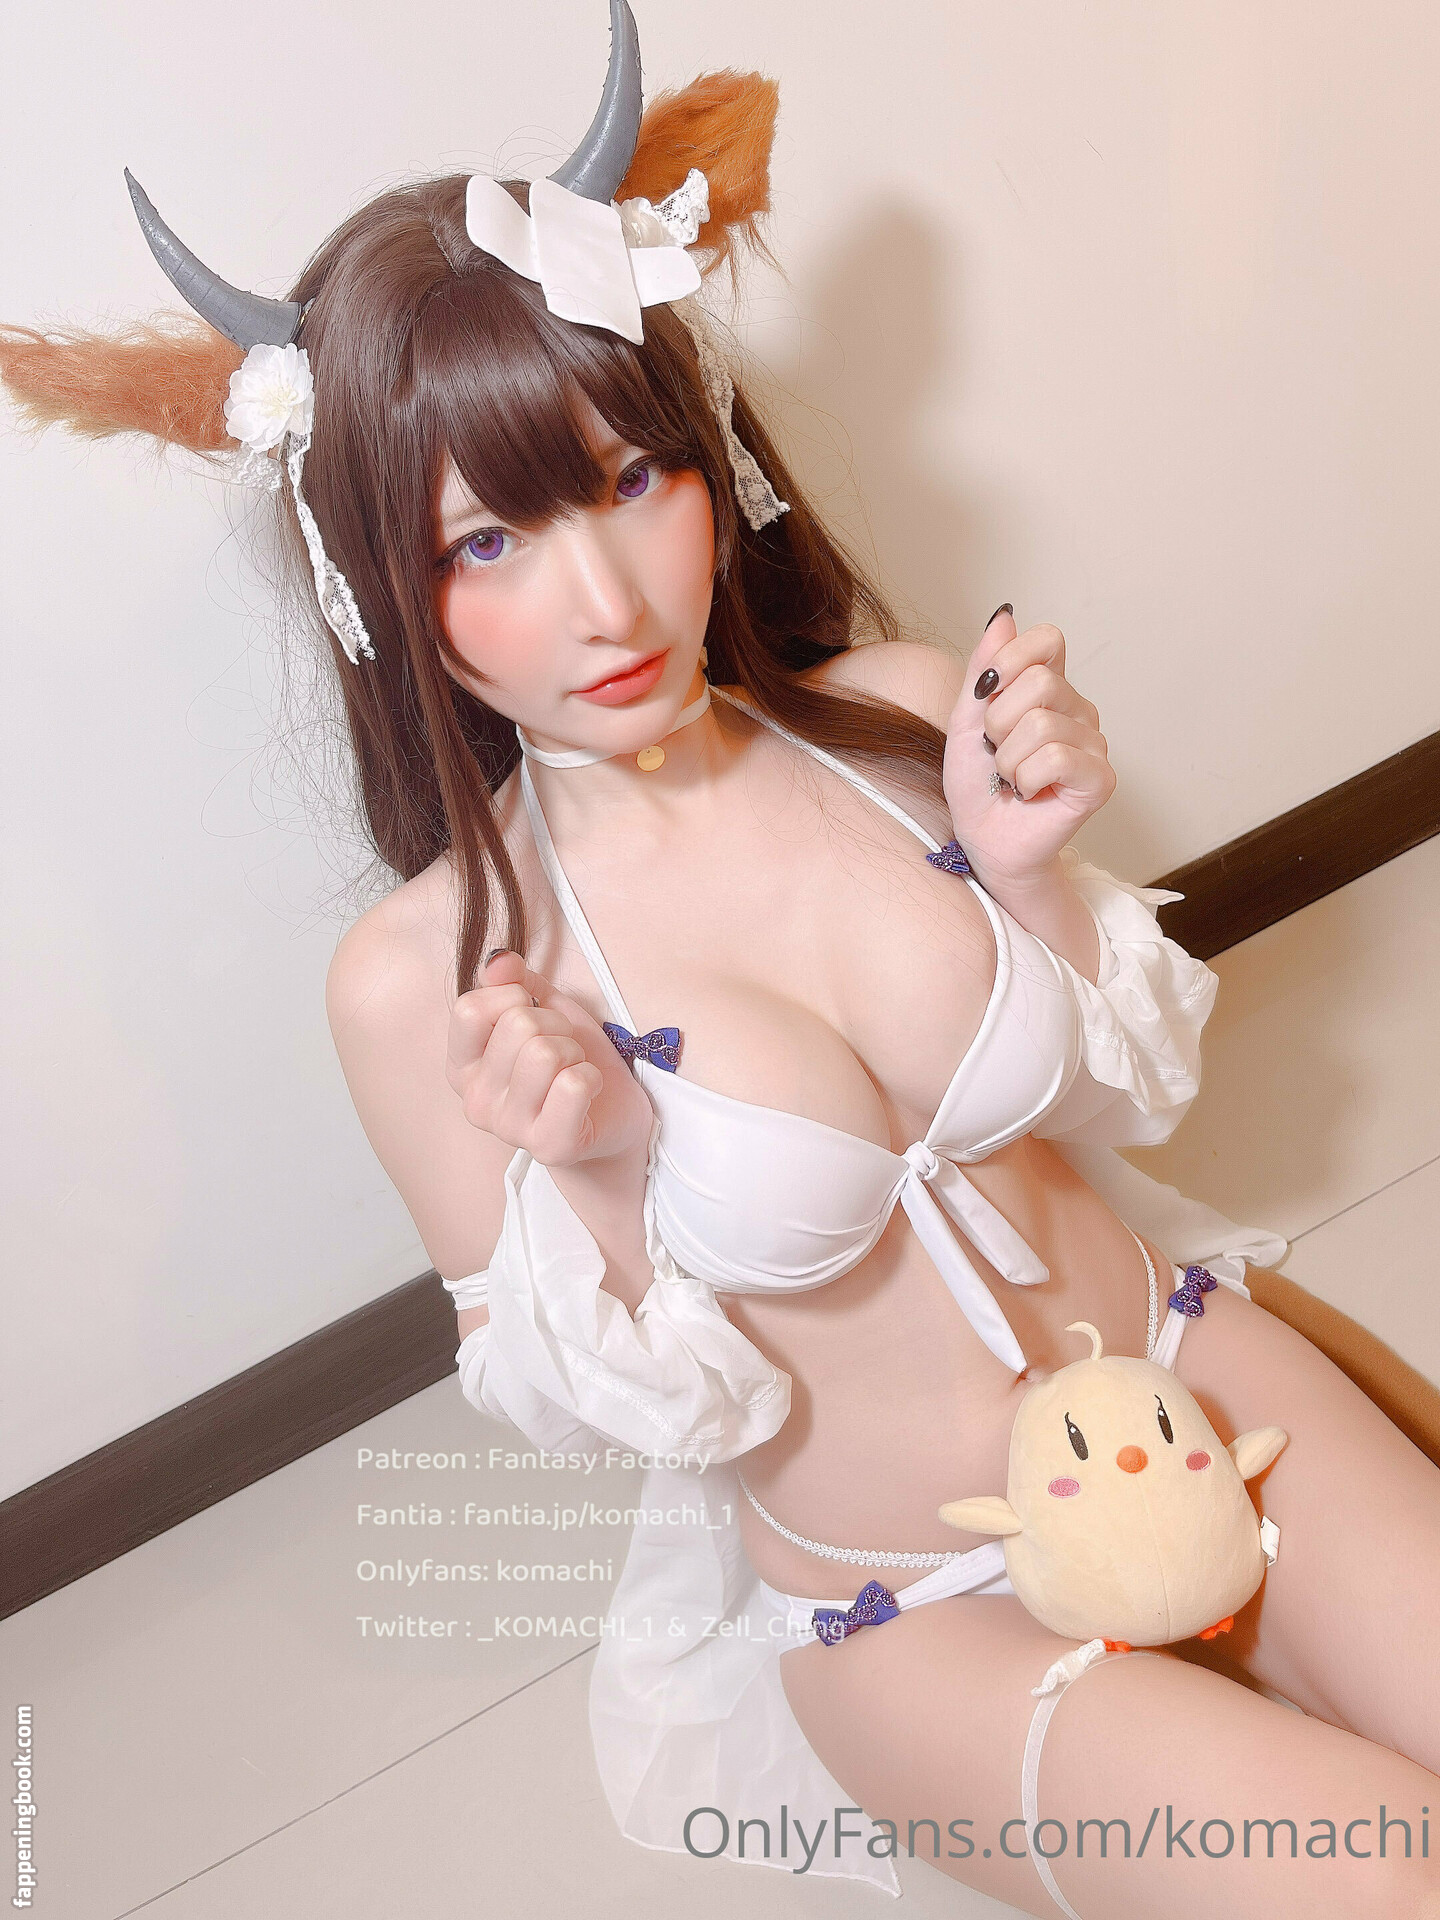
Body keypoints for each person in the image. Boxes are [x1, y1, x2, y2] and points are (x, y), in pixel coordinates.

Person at [5, 7, 1438, 1914]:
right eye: (488, 543)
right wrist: (603, 1166)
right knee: (1382, 1874)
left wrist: (1029, 879)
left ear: (711, 467)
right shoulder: (428, 982)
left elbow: (1122, 1100)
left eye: (628, 483)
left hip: (1186, 1382)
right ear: (386, 598)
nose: (605, 603)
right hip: (920, 1603)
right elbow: (625, 1413)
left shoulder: (902, 714)